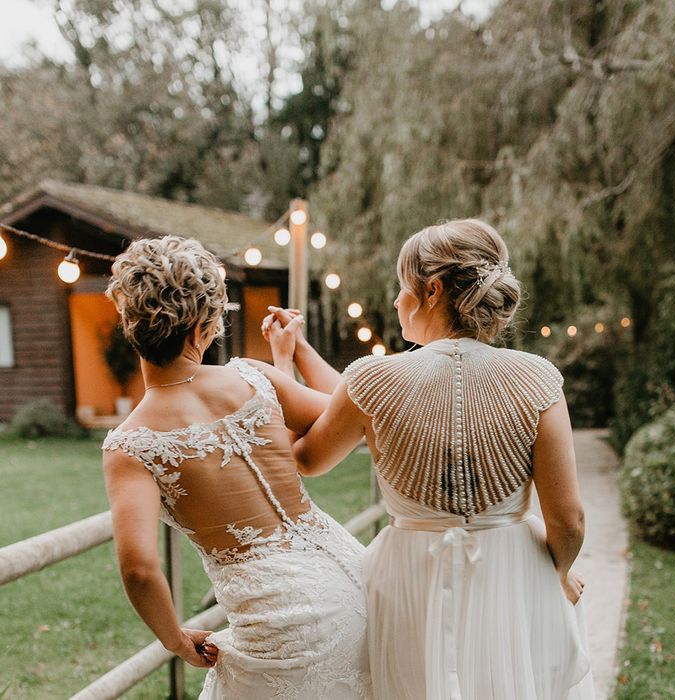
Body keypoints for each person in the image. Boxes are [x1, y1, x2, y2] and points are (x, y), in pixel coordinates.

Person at [264, 218, 595, 699]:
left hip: (408, 580)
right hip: (514, 577)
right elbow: (569, 521)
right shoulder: (537, 379)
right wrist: (557, 575)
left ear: (433, 290)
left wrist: (281, 363)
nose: (397, 300)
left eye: (403, 288)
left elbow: (307, 455)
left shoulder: (374, 380)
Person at [101, 236, 371, 699]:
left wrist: (177, 640)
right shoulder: (254, 378)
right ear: (202, 328)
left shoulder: (130, 444)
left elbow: (140, 568)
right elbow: (344, 418)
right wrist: (288, 357)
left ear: (130, 323)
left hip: (279, 625)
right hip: (358, 581)